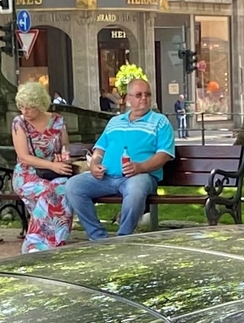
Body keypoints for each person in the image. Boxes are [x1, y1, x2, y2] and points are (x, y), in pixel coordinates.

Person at [65, 72, 176, 241]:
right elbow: (100, 148)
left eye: (147, 94)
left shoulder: (160, 121)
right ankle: (99, 238)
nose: (144, 98)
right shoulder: (114, 121)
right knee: (73, 186)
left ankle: (123, 238)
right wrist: (94, 165)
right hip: (107, 177)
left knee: (135, 189)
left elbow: (164, 155)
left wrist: (140, 167)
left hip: (140, 176)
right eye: (139, 95)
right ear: (128, 99)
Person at [8, 79, 76, 254]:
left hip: (54, 171)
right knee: (50, 192)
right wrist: (52, 166)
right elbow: (23, 157)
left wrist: (63, 157)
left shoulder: (57, 121)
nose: (25, 111)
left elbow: (65, 147)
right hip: (27, 173)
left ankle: (52, 242)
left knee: (64, 189)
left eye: (29, 107)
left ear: (39, 104)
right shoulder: (19, 123)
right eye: (21, 107)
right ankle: (35, 244)